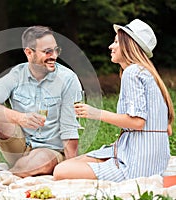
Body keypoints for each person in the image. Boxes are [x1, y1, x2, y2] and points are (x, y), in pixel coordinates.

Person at [0, 25, 82, 188]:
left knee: (41, 162)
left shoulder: (68, 79)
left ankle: (2, 173)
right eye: (47, 51)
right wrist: (20, 118)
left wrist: (72, 166)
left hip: (50, 150)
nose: (53, 56)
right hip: (19, 144)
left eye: (55, 50)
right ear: (29, 53)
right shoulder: (15, 75)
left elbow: (69, 128)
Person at [53, 19, 174, 182]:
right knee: (74, 162)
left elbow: (138, 122)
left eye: (116, 41)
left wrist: (95, 113)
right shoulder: (148, 74)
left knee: (61, 170)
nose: (111, 46)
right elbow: (168, 130)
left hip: (137, 165)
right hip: (151, 160)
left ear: (129, 45)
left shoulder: (132, 73)